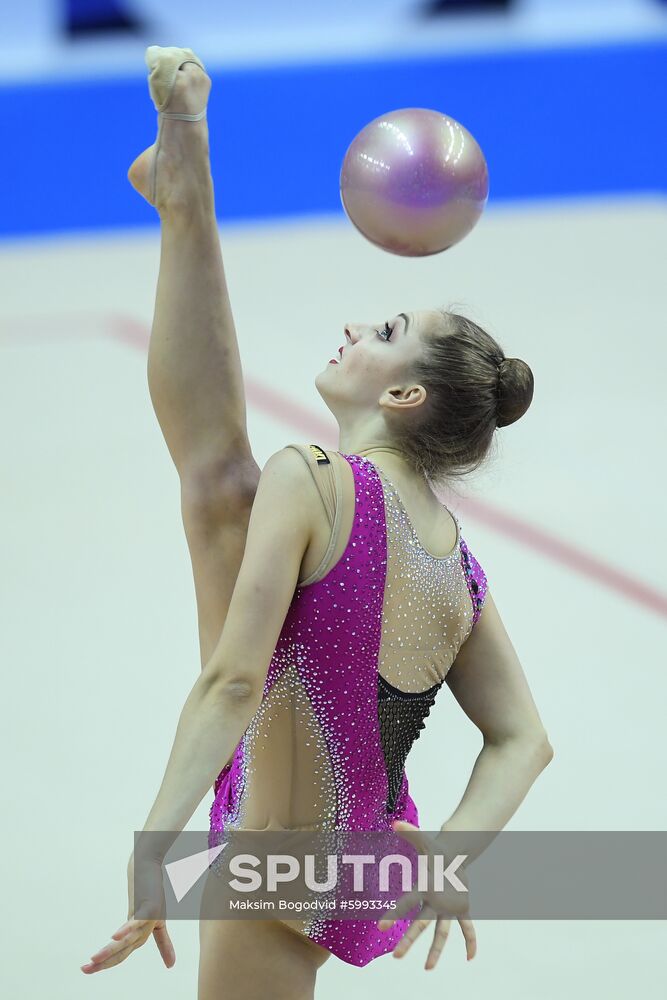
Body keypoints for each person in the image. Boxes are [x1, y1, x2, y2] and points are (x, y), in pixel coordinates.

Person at [80, 46, 554, 998]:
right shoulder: (454, 559)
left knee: (222, 490)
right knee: (218, 494)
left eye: (384, 334)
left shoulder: (312, 477)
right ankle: (185, 185)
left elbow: (231, 681)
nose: (355, 327)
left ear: (407, 392)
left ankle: (186, 180)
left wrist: (155, 846)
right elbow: (524, 740)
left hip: (277, 857)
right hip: (340, 849)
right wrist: (448, 854)